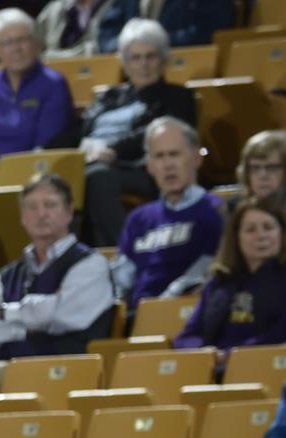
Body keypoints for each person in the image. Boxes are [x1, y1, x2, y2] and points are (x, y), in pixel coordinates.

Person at [0, 173, 121, 359]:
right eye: (32, 207)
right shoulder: (7, 276)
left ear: (69, 211)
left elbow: (61, 314)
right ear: (23, 216)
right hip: (8, 372)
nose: (41, 214)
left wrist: (5, 313)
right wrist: (29, 327)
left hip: (66, 371)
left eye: (50, 205)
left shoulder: (92, 265)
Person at [79, 20, 197, 247]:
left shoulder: (177, 97)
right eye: (136, 57)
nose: (144, 64)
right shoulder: (108, 97)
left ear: (163, 59)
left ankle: (125, 250)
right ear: (125, 62)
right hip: (91, 160)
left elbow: (161, 133)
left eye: (150, 56)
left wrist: (113, 149)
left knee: (98, 176)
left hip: (139, 167)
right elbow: (79, 129)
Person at [114, 118, 223, 306]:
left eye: (174, 154)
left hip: (185, 311)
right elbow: (121, 279)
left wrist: (163, 304)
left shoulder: (217, 211)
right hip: (137, 314)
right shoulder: (138, 219)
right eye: (159, 156)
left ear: (197, 158)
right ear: (149, 165)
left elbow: (206, 272)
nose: (168, 165)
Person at [0, 9, 79, 167]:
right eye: (8, 42)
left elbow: (47, 148)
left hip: (35, 172)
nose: (16, 49)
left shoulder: (53, 84)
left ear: (36, 43)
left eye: (22, 40)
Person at [174, 197, 286, 353]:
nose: (261, 235)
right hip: (213, 363)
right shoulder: (218, 282)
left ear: (282, 233)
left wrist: (231, 355)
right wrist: (206, 353)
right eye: (250, 230)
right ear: (236, 237)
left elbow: (279, 336)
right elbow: (186, 337)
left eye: (268, 227)